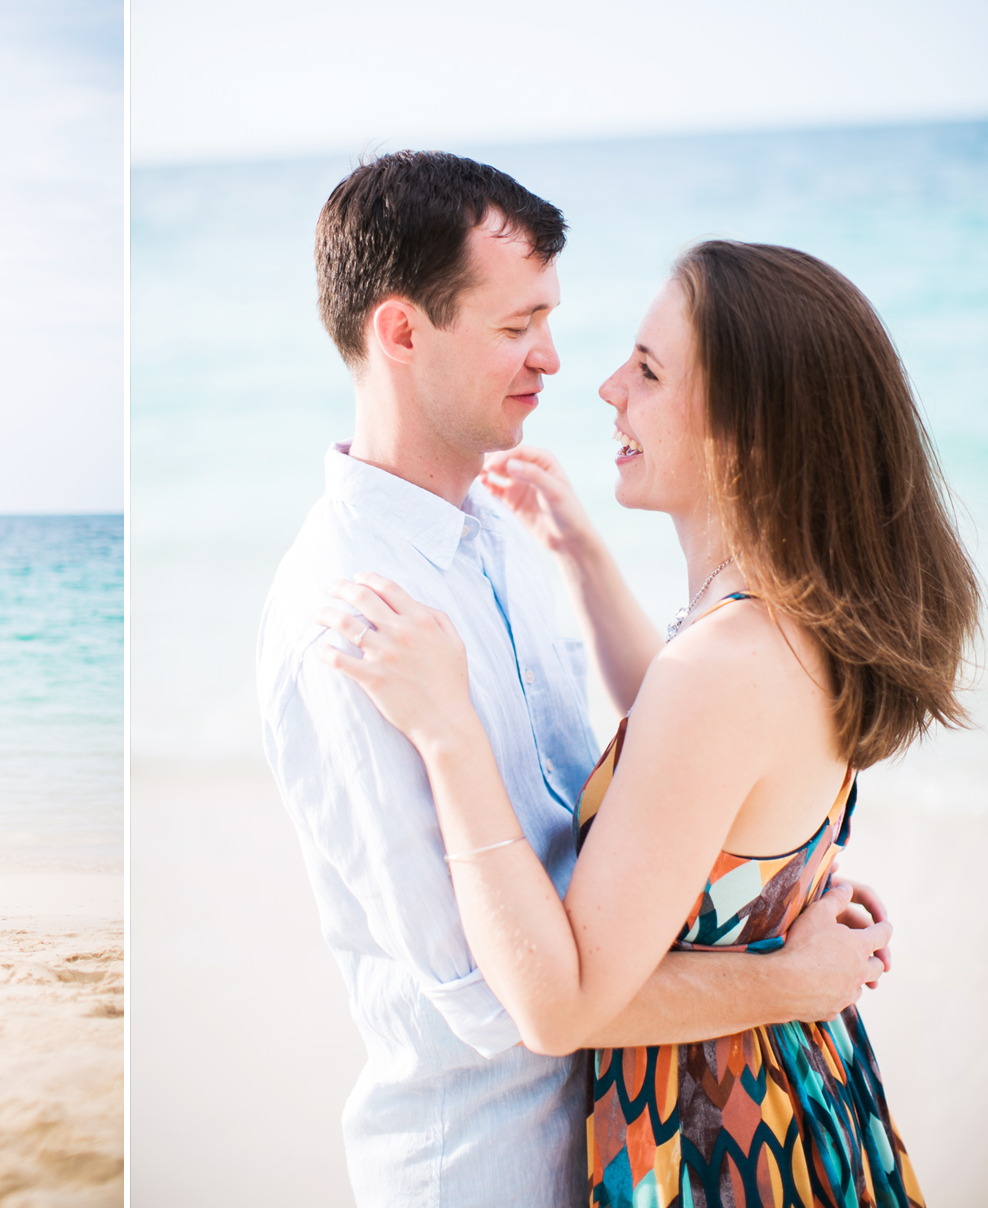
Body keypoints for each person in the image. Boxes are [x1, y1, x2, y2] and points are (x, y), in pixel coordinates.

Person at [257, 153, 901, 1205]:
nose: (563, 363)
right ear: (402, 333)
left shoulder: (508, 541)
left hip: (660, 1139)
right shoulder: (353, 616)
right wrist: (777, 973)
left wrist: (771, 893)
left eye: (553, 319)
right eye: (517, 327)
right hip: (494, 1162)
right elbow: (493, 1000)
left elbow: (655, 782)